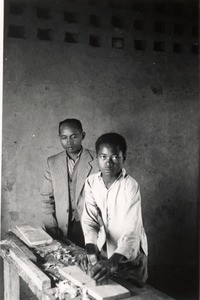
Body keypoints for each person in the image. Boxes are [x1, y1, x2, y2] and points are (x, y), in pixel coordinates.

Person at [80, 132, 148, 286]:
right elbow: (89, 220)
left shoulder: (130, 186)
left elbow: (132, 232)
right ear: (97, 157)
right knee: (107, 290)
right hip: (106, 250)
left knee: (132, 291)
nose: (108, 163)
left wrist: (114, 261)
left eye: (115, 157)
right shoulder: (91, 182)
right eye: (103, 157)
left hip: (130, 254)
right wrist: (91, 249)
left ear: (124, 158)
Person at [41, 118, 99, 247]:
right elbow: (46, 198)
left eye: (74, 137)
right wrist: (51, 226)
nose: (69, 142)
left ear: (82, 136)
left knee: (92, 263)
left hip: (92, 226)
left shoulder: (97, 160)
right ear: (59, 138)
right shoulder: (52, 162)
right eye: (64, 137)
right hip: (62, 227)